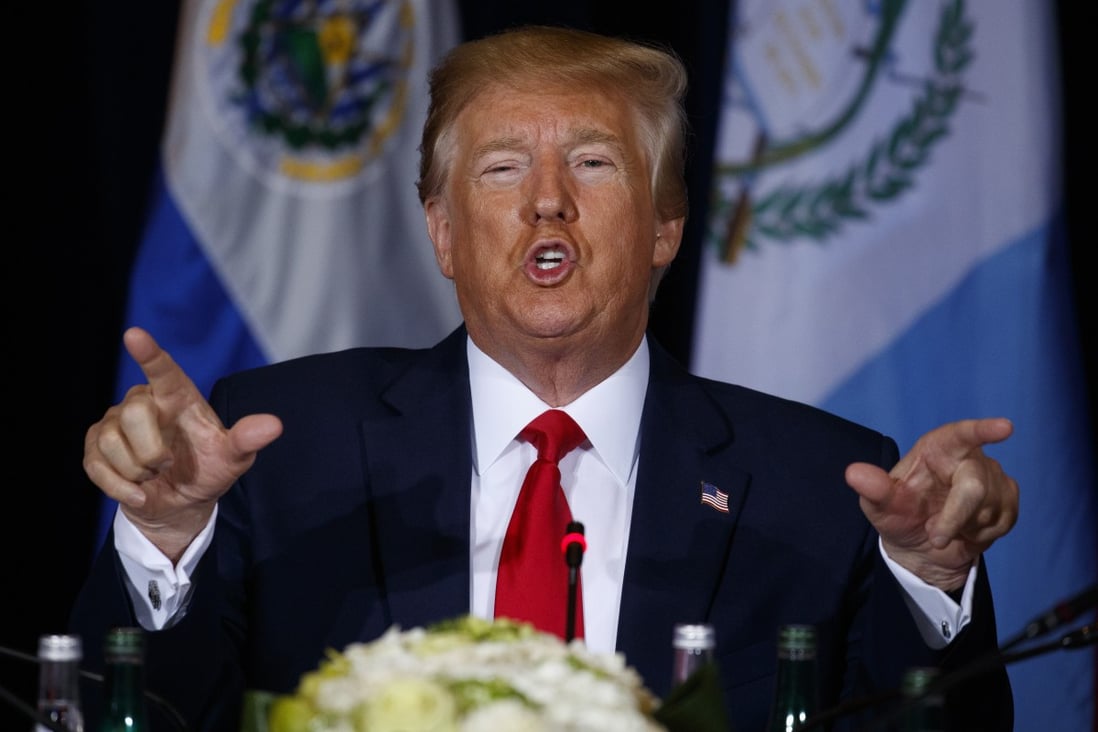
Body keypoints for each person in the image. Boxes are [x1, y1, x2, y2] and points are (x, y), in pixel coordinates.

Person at [73, 24, 1019, 732]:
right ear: (442, 231)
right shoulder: (276, 449)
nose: (547, 201)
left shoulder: (824, 484)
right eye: (502, 167)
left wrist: (932, 579)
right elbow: (133, 715)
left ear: (665, 228)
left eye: (595, 163)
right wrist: (164, 538)